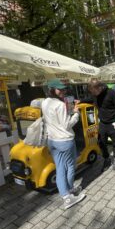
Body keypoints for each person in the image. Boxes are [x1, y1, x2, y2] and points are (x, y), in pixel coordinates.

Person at [41, 79, 86, 210]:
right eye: (59, 89)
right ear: (52, 90)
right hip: (65, 141)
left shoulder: (45, 102)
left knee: (60, 169)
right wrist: (76, 113)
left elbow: (56, 119)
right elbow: (67, 125)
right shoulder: (60, 105)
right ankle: (71, 190)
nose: (63, 91)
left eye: (63, 89)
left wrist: (70, 108)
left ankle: (66, 197)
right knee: (71, 166)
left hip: (52, 141)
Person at [79, 80, 115, 171]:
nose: (93, 94)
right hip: (103, 122)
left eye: (94, 91)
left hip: (113, 122)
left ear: (99, 87)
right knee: (101, 142)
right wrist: (80, 101)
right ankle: (107, 158)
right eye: (92, 92)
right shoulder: (95, 94)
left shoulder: (111, 93)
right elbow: (90, 99)